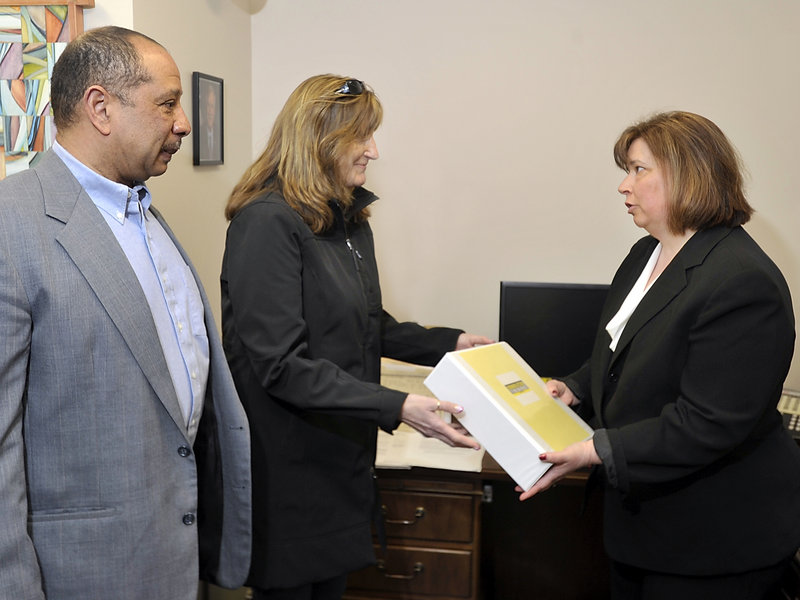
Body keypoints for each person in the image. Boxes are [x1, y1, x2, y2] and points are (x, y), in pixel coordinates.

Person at [0, 26, 251, 600]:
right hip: (83, 575)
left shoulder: (145, 214)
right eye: (167, 104)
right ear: (100, 108)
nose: (184, 123)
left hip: (177, 560)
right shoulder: (12, 226)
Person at [221, 74, 491, 600]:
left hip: (342, 456)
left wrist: (451, 343)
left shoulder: (346, 219)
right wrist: (398, 406)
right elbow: (280, 364)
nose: (374, 150)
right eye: (362, 135)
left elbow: (369, 323)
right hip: (291, 472)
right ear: (319, 139)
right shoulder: (266, 224)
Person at [519, 111, 800, 599]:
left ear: (688, 175)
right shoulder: (645, 254)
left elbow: (708, 422)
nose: (623, 186)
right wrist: (577, 388)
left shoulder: (741, 281)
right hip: (644, 527)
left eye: (638, 169)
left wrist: (594, 450)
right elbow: (622, 352)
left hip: (714, 541)